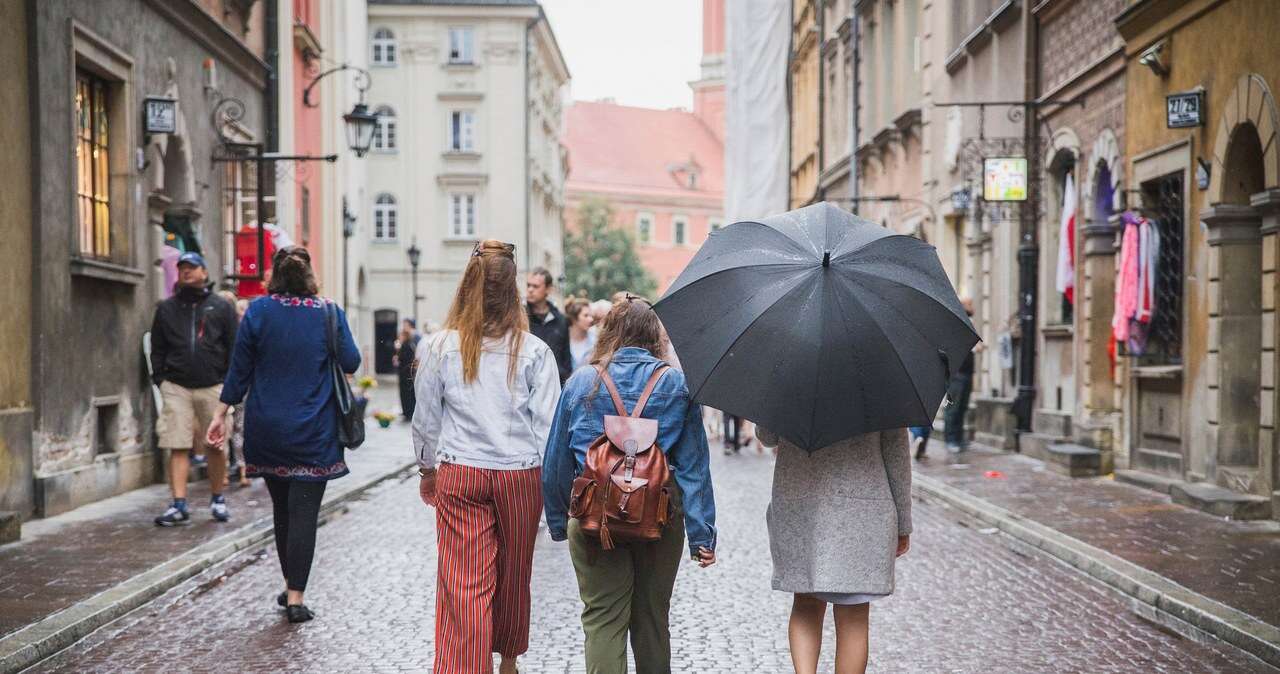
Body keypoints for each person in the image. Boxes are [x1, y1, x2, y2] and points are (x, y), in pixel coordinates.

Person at [543, 296, 717, 673]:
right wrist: (702, 534)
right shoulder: (676, 384)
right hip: (659, 516)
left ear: (609, 333)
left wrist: (559, 520)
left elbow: (556, 460)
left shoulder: (582, 382)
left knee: (603, 619)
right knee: (653, 621)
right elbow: (693, 468)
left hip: (594, 519)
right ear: (654, 336)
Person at [414, 239, 561, 674]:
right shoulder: (534, 352)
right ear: (513, 290)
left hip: (461, 471)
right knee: (514, 572)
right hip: (519, 473)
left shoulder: (439, 347)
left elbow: (425, 419)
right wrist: (551, 487)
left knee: (464, 581)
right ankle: (509, 659)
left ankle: (465, 666)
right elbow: (549, 429)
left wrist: (427, 468)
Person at [206, 246, 360, 624]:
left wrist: (219, 414)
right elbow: (352, 361)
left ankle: (290, 583)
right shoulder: (328, 311)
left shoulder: (258, 311)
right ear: (309, 275)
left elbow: (238, 370)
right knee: (304, 512)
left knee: (282, 510)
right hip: (314, 432)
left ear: (274, 275)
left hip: (268, 429)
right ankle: (296, 597)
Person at [755, 426, 912, 674]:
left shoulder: (790, 385)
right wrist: (903, 522)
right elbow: (895, 451)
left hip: (800, 502)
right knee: (854, 614)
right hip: (861, 508)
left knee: (806, 604)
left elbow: (768, 436)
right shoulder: (886, 387)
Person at [150, 252, 238, 526]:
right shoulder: (166, 308)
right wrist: (161, 379)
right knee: (176, 443)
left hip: (213, 385)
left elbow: (234, 346)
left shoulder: (220, 307)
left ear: (204, 272)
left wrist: (228, 382)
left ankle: (218, 497)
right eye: (182, 268)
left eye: (192, 267)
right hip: (176, 385)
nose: (186, 272)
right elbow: (157, 348)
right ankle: (178, 504)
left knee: (215, 444)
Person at [526, 268, 573, 383]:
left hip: (555, 384)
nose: (530, 290)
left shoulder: (561, 320)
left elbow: (566, 357)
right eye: (528, 285)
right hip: (528, 385)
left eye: (536, 286)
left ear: (548, 289)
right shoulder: (520, 317)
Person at [944, 298, 978, 453]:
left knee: (962, 407)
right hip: (957, 373)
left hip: (967, 371)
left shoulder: (967, 323)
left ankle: (958, 438)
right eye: (970, 304)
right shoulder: (954, 324)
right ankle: (951, 439)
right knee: (954, 408)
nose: (973, 307)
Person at [395, 318, 421, 420]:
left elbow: (412, 353)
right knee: (403, 391)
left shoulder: (414, 337)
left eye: (405, 324)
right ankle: (406, 411)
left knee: (409, 391)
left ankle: (409, 412)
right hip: (403, 369)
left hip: (409, 369)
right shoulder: (404, 338)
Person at [565, 297, 596, 371]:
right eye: (586, 315)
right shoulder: (562, 338)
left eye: (591, 316)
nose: (591, 319)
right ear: (574, 318)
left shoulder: (595, 340)